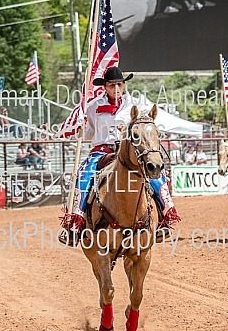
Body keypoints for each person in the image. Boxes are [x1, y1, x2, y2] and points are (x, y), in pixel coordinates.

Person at [60, 67, 181, 244]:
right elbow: (88, 134)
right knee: (83, 176)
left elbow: (146, 126)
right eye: (111, 85)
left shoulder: (136, 105)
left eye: (119, 84)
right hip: (101, 151)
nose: (116, 88)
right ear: (105, 87)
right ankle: (75, 224)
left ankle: (164, 218)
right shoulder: (93, 107)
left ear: (124, 85)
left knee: (156, 174)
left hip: (128, 151)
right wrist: (81, 124)